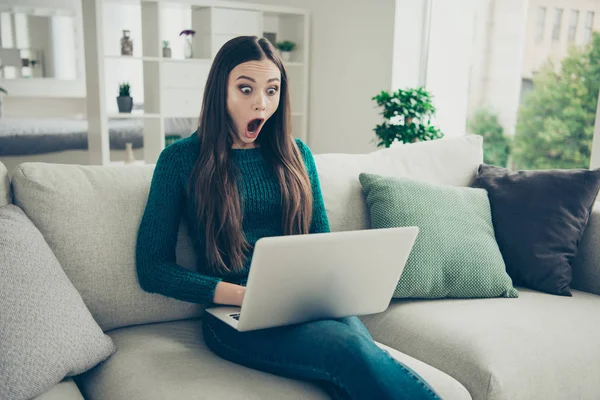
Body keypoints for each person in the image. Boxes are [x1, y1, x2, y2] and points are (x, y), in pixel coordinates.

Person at [136, 36, 441, 400]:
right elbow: (151, 267)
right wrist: (239, 295)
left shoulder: (296, 155)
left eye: (272, 90)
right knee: (351, 351)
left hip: (307, 304)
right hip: (232, 319)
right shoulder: (180, 160)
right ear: (221, 91)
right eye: (246, 89)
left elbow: (322, 244)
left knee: (359, 356)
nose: (261, 104)